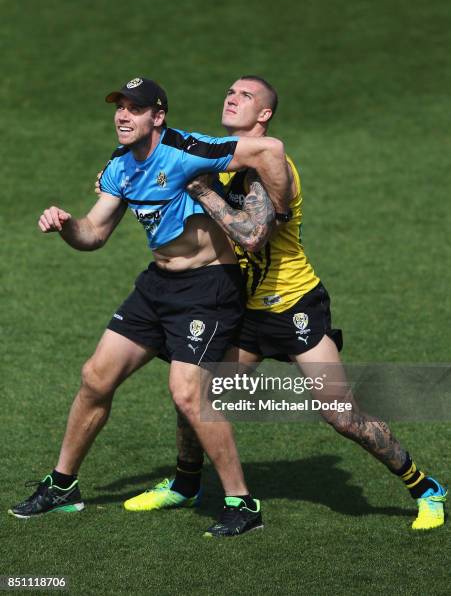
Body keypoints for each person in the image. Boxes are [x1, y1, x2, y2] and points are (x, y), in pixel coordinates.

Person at [124, 76, 447, 532]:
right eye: (230, 92)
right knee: (193, 391)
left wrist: (198, 189)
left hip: (293, 304)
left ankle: (424, 487)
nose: (231, 98)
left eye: (245, 96)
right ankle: (186, 482)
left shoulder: (271, 170)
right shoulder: (218, 160)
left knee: (340, 414)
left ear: (265, 115)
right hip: (241, 309)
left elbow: (253, 237)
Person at [8, 77, 294, 538]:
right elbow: (94, 234)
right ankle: (62, 487)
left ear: (157, 116)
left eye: (134, 109)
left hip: (209, 288)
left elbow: (271, 151)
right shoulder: (120, 166)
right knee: (95, 376)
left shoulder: (186, 149)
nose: (123, 115)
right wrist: (65, 225)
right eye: (119, 107)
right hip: (157, 286)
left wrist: (278, 213)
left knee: (187, 392)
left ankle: (244, 503)